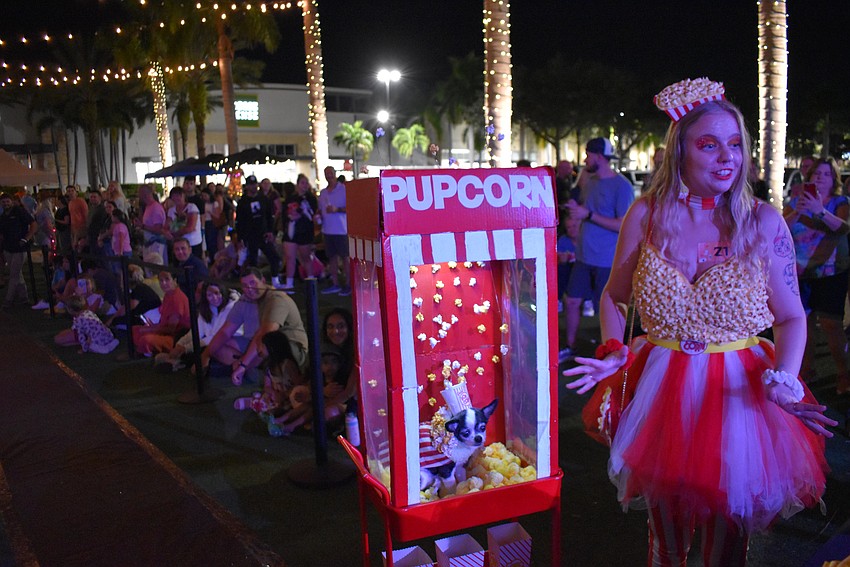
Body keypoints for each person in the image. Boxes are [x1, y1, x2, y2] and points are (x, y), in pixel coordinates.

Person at [564, 78, 835, 566]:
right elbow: (614, 297)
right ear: (679, 152)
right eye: (709, 145)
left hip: (739, 394)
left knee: (726, 541)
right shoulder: (645, 215)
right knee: (665, 537)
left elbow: (792, 316)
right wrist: (612, 347)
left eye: (735, 144)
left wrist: (786, 380)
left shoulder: (763, 222)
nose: (727, 157)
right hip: (661, 387)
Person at [561, 137, 634, 360]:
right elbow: (585, 208)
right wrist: (576, 208)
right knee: (571, 301)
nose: (585, 159)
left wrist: (589, 214)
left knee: (608, 308)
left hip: (607, 259)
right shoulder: (590, 181)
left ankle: (612, 355)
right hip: (584, 256)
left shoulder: (622, 186)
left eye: (588, 155)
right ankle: (571, 346)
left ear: (600, 157)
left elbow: (623, 224)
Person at [783, 157, 850, 393]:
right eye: (816, 174)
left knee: (831, 325)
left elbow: (843, 227)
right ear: (809, 177)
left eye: (826, 174)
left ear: (834, 179)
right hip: (800, 272)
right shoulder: (796, 202)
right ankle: (806, 372)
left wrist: (819, 211)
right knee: (804, 324)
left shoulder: (841, 202)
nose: (820, 178)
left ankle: (844, 374)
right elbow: (779, 228)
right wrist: (797, 212)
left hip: (831, 271)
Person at [201, 267, 308, 385]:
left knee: (266, 348)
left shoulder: (277, 299)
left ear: (263, 281)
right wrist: (205, 355)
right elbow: (225, 332)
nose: (250, 289)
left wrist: (243, 364)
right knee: (220, 345)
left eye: (253, 283)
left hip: (287, 346)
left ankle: (247, 371)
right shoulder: (245, 299)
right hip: (257, 343)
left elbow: (265, 334)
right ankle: (249, 369)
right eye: (245, 285)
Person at [233, 330, 306, 437]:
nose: (259, 349)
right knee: (266, 399)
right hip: (277, 398)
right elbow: (267, 386)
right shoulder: (269, 366)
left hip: (289, 398)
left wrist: (284, 395)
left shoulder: (287, 364)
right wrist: (272, 393)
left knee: (287, 404)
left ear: (272, 347)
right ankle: (254, 403)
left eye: (262, 346)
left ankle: (272, 414)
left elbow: (298, 384)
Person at [154, 281, 238, 373]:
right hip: (208, 339)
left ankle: (179, 362)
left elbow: (218, 336)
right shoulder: (206, 308)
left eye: (216, 293)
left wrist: (185, 348)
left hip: (225, 341)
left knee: (202, 350)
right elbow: (197, 331)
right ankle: (177, 360)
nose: (214, 298)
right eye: (209, 295)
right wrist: (180, 344)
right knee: (182, 334)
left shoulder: (231, 307)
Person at [127, 270, 190, 358]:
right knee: (134, 329)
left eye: (167, 279)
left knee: (146, 339)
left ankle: (141, 353)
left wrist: (150, 329)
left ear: (175, 280)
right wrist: (152, 327)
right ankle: (142, 350)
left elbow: (171, 329)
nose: (163, 283)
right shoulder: (168, 295)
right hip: (163, 329)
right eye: (161, 280)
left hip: (176, 337)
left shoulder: (177, 299)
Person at [234, 175, 281, 281]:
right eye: (251, 185)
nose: (254, 187)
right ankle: (254, 281)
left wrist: (270, 231)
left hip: (263, 233)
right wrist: (240, 238)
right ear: (247, 186)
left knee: (274, 257)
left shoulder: (263, 199)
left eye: (255, 184)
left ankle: (275, 280)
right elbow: (240, 221)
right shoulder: (243, 202)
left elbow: (269, 216)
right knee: (252, 261)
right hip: (250, 235)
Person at [279, 173, 320, 291]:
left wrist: (300, 215)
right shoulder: (291, 198)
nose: (305, 185)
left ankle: (311, 281)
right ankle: (289, 283)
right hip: (291, 230)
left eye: (306, 183)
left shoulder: (311, 198)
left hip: (304, 231)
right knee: (290, 257)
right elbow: (284, 213)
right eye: (302, 183)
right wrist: (290, 216)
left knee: (306, 257)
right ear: (297, 184)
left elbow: (312, 214)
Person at [0, 192, 37, 309]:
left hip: (19, 248)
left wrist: (26, 238)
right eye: (3, 202)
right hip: (8, 248)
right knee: (17, 273)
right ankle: (23, 297)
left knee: (14, 274)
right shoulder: (3, 216)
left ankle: (9, 299)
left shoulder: (19, 211)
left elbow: (33, 223)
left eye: (7, 201)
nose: (6, 204)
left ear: (11, 202)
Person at [318, 165, 350, 296]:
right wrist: (318, 217)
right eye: (326, 174)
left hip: (342, 230)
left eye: (330, 173)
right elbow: (321, 210)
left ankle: (348, 284)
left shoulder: (344, 189)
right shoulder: (323, 193)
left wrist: (338, 209)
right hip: (327, 230)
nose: (329, 176)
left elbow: (352, 207)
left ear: (335, 174)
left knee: (345, 258)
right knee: (331, 258)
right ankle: (335, 284)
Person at [54, 294, 119, 354]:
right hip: (108, 336)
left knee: (59, 341)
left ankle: (98, 346)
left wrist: (84, 349)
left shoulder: (79, 320)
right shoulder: (89, 312)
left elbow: (81, 336)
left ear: (70, 310)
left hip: (99, 341)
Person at [164, 186, 203, 259]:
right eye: (174, 196)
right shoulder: (171, 210)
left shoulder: (192, 207)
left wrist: (174, 234)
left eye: (179, 195)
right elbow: (166, 226)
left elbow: (190, 227)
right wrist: (166, 232)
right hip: (177, 244)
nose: (176, 198)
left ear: (184, 196)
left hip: (193, 243)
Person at [135, 184, 168, 265]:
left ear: (144, 194)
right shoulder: (148, 207)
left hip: (156, 245)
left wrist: (142, 226)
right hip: (149, 243)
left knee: (156, 267)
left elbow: (158, 229)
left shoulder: (155, 208)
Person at [172, 237, 208, 301]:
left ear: (190, 250)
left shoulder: (197, 265)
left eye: (183, 248)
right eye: (177, 249)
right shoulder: (178, 264)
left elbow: (201, 289)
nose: (180, 252)